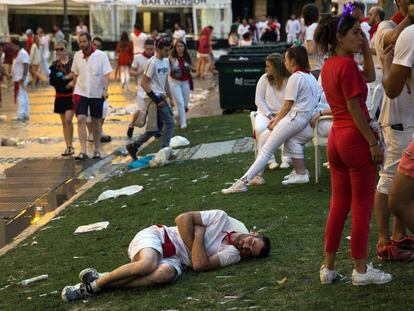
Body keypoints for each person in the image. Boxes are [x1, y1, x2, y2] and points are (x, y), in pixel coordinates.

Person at [314, 7, 392, 285]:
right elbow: (355, 109)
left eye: (362, 33)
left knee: (339, 205)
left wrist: (367, 51)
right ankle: (361, 270)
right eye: (356, 33)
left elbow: (370, 78)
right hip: (354, 138)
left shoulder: (332, 64)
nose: (361, 37)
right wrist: (372, 142)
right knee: (361, 206)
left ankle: (328, 267)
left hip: (337, 138)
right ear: (340, 37)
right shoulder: (346, 66)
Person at [61, 209, 271, 302]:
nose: (244, 246)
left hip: (175, 259)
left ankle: (104, 278)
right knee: (147, 265)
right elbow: (181, 219)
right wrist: (197, 250)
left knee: (164, 275)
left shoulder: (233, 255)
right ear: (252, 233)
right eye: (250, 242)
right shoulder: (221, 218)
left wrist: (198, 235)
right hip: (159, 236)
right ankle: (89, 289)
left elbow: (198, 265)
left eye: (248, 252)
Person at [222, 45, 320, 194]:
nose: (284, 62)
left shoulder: (296, 77)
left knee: (266, 149)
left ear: (293, 60)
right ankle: (301, 173)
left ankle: (243, 182)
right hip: (303, 122)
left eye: (286, 59)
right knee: (269, 138)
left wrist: (275, 121)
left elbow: (288, 105)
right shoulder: (310, 76)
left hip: (295, 120)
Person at [372, 1, 414, 262]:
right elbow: (390, 37)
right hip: (398, 119)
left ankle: (398, 236)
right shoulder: (387, 27)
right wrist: (409, 18)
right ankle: (384, 239)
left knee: (405, 185)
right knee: (389, 180)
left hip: (410, 118)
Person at [382, 22, 414, 241]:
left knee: (398, 200)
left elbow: (392, 89)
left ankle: (391, 237)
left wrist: (386, 64)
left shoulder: (409, 35)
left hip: (403, 124)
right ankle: (396, 235)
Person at [126, 38, 175, 161]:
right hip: (154, 99)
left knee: (155, 129)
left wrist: (170, 98)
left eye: (169, 50)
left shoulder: (165, 61)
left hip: (162, 97)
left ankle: (133, 146)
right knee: (170, 123)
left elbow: (165, 82)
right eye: (165, 50)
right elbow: (144, 83)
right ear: (158, 49)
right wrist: (157, 100)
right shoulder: (152, 63)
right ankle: (166, 150)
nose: (167, 53)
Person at [71, 32, 112, 160]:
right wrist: (73, 91)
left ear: (89, 41)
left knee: (96, 121)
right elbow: (75, 74)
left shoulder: (101, 56)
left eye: (84, 41)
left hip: (96, 92)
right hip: (81, 92)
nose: (82, 44)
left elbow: (106, 74)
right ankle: (83, 150)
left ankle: (97, 149)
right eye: (80, 42)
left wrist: (105, 90)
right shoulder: (77, 56)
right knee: (81, 118)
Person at [253, 53, 292, 179]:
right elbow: (258, 100)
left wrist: (279, 116)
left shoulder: (289, 79)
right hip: (266, 113)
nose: (266, 69)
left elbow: (291, 101)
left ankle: (286, 157)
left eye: (268, 66)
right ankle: (270, 160)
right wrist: (270, 116)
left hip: (284, 113)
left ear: (277, 67)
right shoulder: (264, 79)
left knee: (286, 127)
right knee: (260, 129)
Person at [49, 40, 75, 157]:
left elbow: (79, 74)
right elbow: (52, 81)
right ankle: (69, 146)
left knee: (69, 119)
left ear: (66, 49)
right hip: (59, 96)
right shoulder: (55, 64)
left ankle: (70, 145)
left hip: (71, 95)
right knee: (64, 122)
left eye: (61, 49)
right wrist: (60, 80)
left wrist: (72, 83)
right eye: (56, 49)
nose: (58, 51)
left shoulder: (73, 62)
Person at [127, 39, 155, 138]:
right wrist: (140, 72)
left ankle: (154, 131)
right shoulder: (138, 57)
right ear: (144, 48)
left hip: (154, 89)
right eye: (147, 49)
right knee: (141, 110)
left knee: (154, 111)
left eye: (152, 49)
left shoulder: (157, 58)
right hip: (141, 89)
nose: (150, 51)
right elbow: (131, 72)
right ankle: (132, 124)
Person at [169, 39, 193, 129]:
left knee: (185, 104)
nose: (179, 48)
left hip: (186, 82)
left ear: (184, 47)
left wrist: (189, 68)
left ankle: (179, 115)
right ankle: (183, 122)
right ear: (175, 47)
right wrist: (174, 70)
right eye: (177, 46)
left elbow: (193, 68)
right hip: (175, 82)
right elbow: (167, 68)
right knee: (180, 102)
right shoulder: (171, 57)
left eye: (181, 46)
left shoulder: (188, 55)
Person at [11, 37, 30, 121]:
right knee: (24, 96)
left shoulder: (23, 53)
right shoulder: (19, 53)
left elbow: (26, 65)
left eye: (13, 46)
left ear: (17, 45)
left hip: (21, 78)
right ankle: (25, 114)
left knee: (21, 96)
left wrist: (23, 77)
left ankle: (21, 115)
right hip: (19, 77)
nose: (12, 47)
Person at [302, 4, 320, 76]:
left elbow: (311, 50)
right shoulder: (318, 26)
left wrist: (298, 49)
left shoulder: (311, 28)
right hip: (321, 67)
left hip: (314, 68)